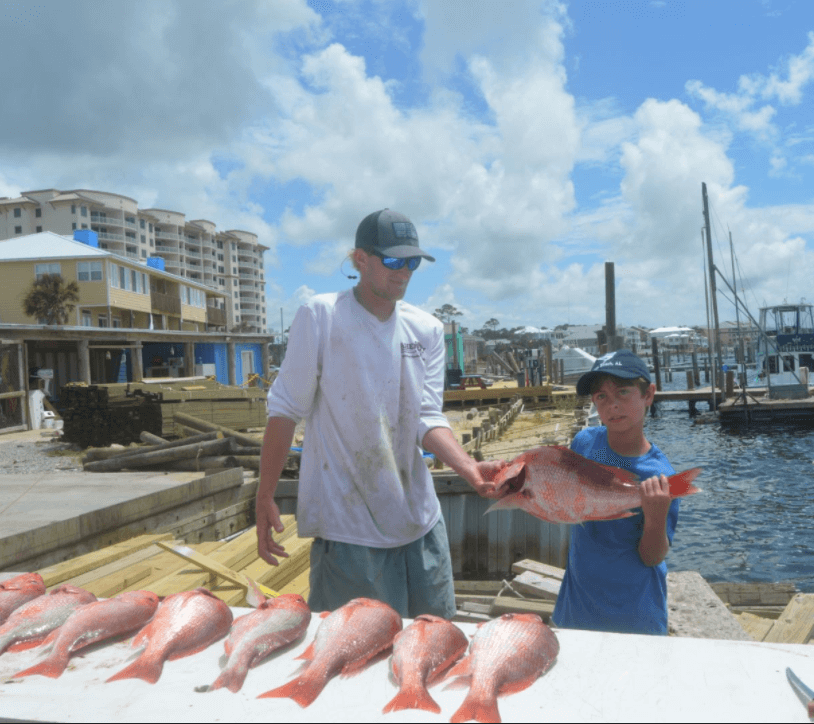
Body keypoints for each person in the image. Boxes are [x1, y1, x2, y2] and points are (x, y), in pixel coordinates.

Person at [256, 208, 503, 619]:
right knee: (356, 650)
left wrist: (469, 468)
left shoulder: (426, 329)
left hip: (421, 524)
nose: (403, 272)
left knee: (433, 637)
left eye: (412, 262)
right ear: (361, 259)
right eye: (393, 261)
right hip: (349, 530)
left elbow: (427, 416)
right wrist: (265, 494)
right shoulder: (321, 316)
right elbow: (284, 410)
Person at [551, 349, 681, 635]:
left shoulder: (660, 476)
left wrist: (656, 517)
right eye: (602, 397)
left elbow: (652, 558)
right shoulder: (584, 442)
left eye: (623, 392)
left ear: (648, 395)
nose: (613, 405)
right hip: (576, 609)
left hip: (634, 617)